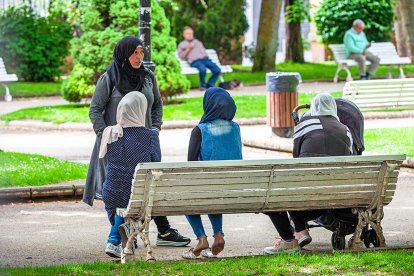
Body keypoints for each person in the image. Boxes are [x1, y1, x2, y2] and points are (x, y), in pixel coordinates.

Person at [84, 36, 190, 258]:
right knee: (117, 187)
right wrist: (106, 136)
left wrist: (156, 129)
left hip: (142, 143)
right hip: (116, 145)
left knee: (145, 187)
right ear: (124, 54)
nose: (139, 57)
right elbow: (95, 110)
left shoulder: (148, 78)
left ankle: (139, 234)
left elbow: (157, 105)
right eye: (134, 53)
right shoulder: (109, 78)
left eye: (141, 52)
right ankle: (127, 237)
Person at [264, 94, 353, 254]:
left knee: (276, 192)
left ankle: (291, 238)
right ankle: (301, 231)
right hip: (335, 199)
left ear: (314, 108)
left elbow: (296, 158)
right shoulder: (345, 130)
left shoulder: (305, 124)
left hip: (306, 198)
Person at [182, 87, 242, 259]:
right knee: (215, 190)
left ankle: (201, 238)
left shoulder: (200, 130)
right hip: (233, 189)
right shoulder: (235, 128)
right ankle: (218, 235)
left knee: (188, 197)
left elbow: (190, 165)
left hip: (209, 188)